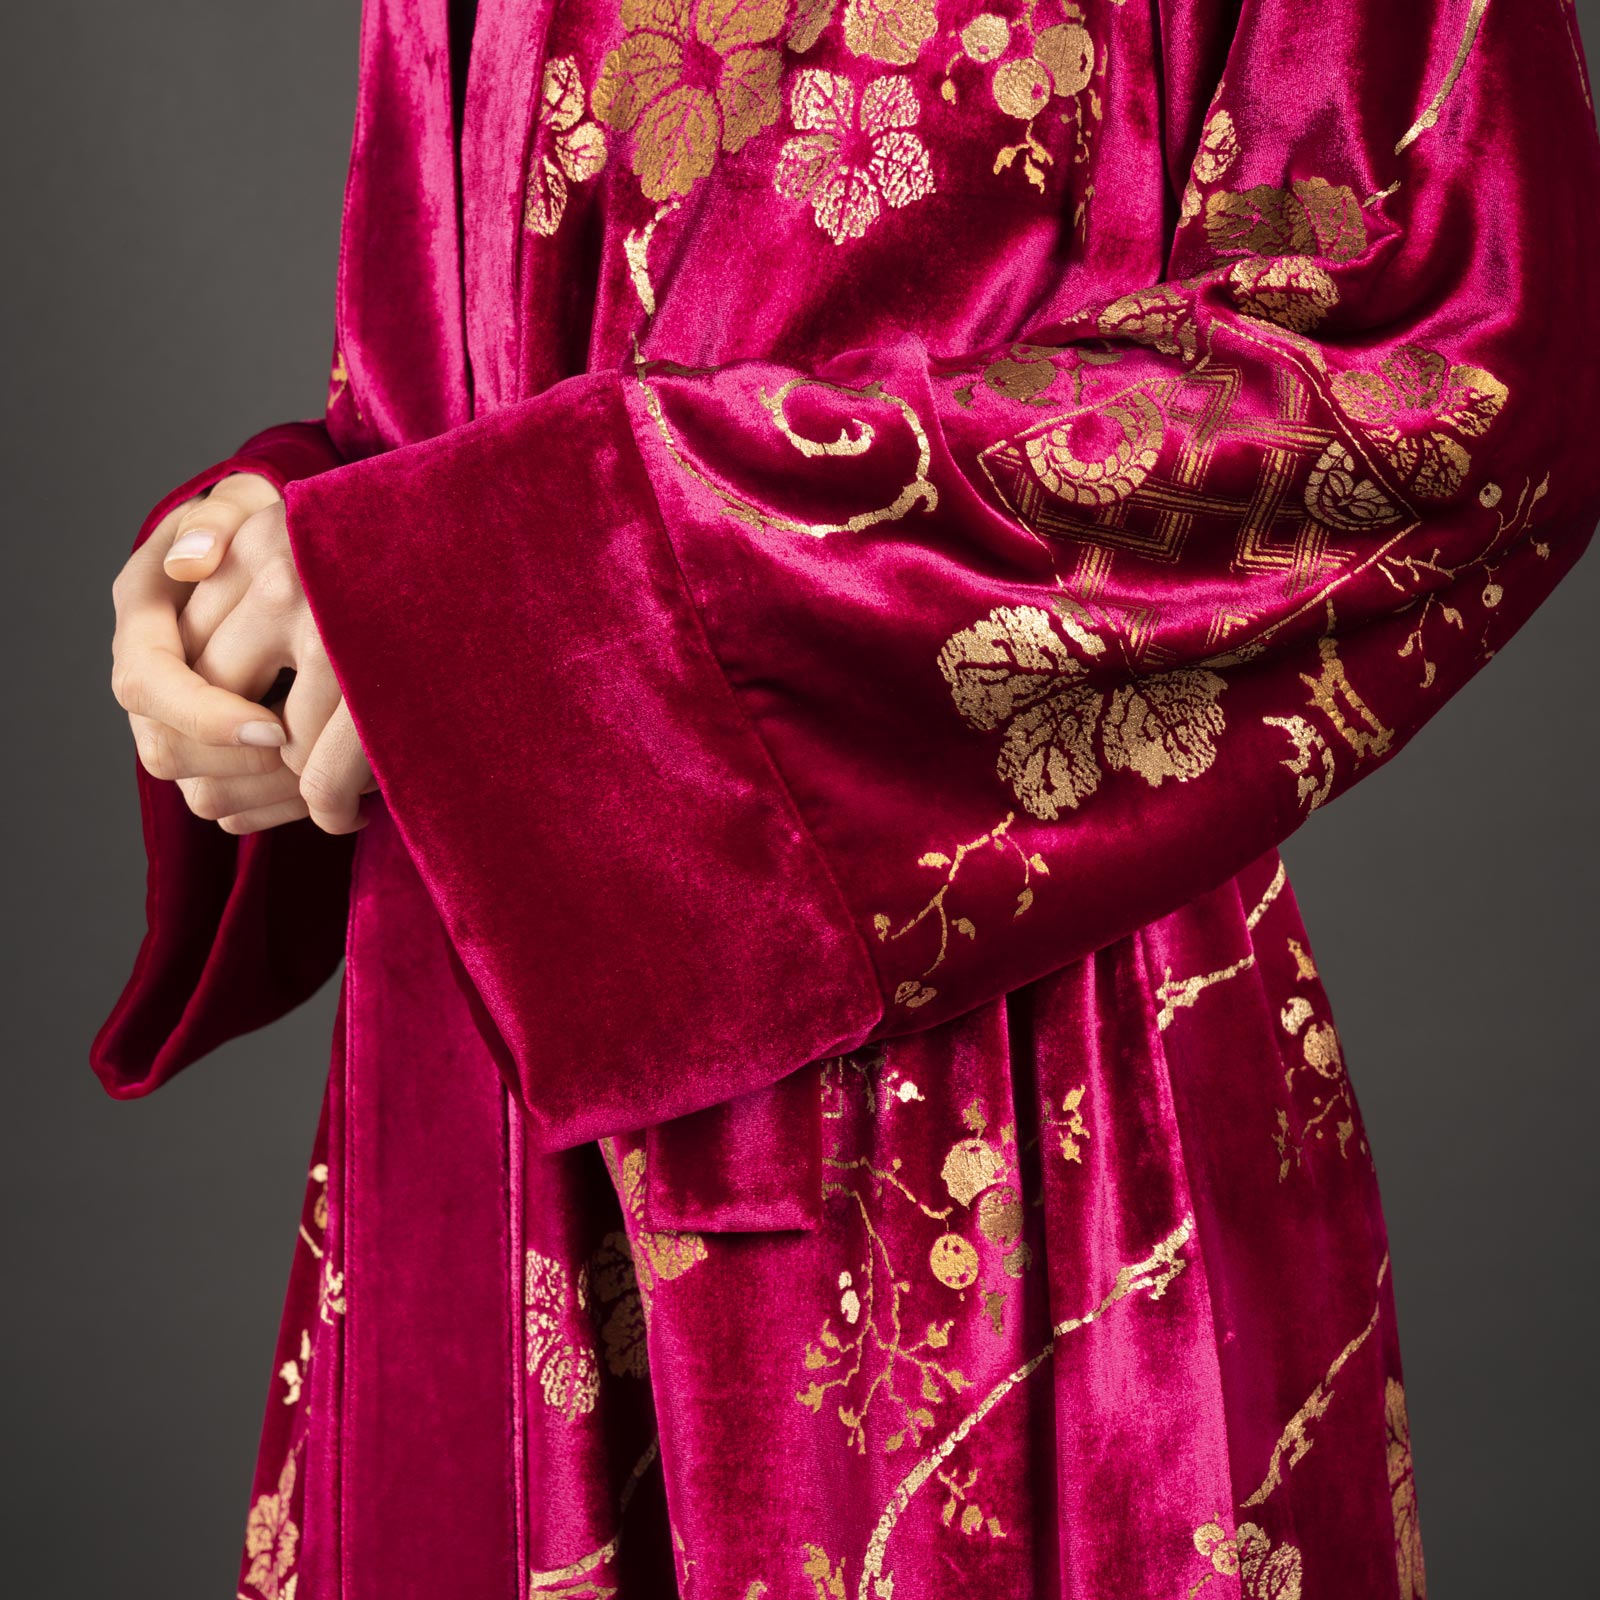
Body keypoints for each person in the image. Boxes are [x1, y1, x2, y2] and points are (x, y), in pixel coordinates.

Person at [98, 1, 1598, 1595]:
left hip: (992, 1105)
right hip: (482, 1081)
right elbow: (453, 371)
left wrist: (512, 578)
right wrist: (269, 569)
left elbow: (1450, 359)